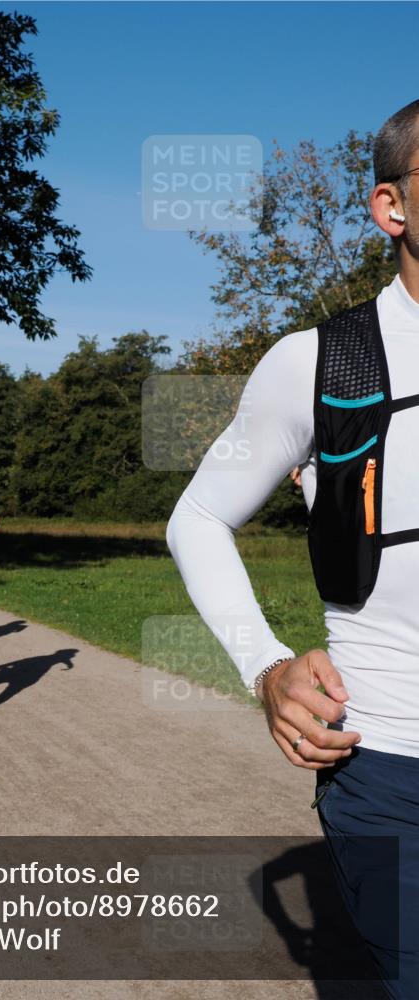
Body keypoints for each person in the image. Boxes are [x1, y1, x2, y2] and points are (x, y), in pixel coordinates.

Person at [167, 100, 419, 999]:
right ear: (392, 208)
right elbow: (197, 517)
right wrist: (265, 667)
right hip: (391, 765)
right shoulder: (318, 363)